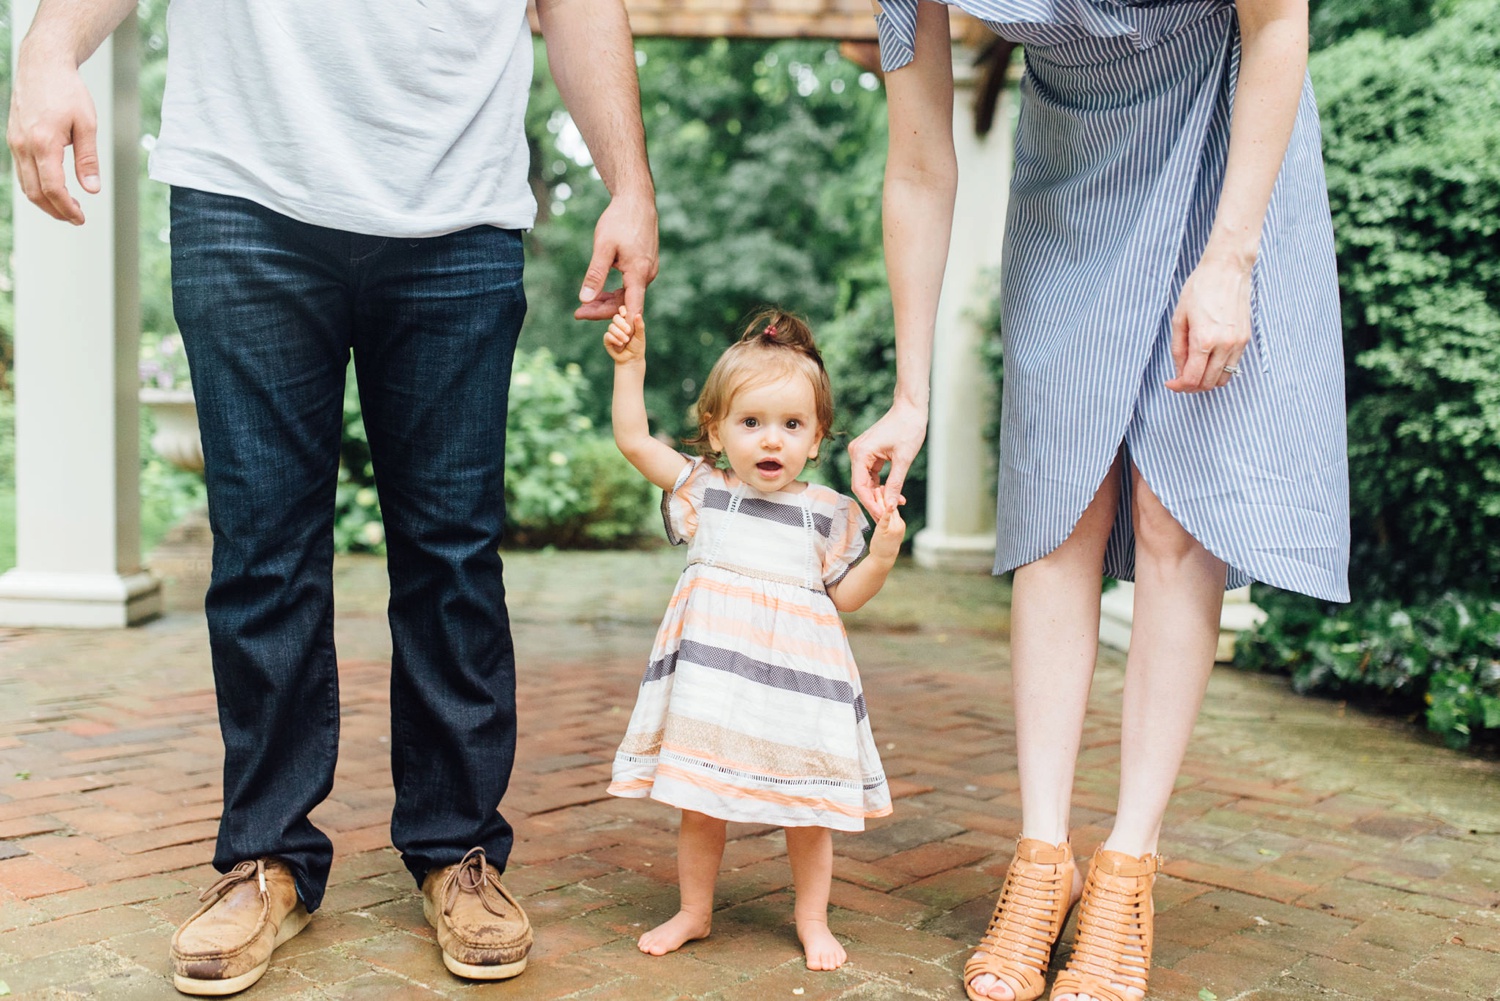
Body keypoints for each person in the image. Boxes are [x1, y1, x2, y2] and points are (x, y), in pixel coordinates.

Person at [8, 0, 657, 993]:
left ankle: (457, 850)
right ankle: (262, 856)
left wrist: (630, 183)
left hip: (459, 209)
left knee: (451, 551)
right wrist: (48, 50)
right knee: (261, 548)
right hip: (243, 189)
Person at [849, 2, 1349, 1000]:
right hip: (1070, 167)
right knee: (1058, 503)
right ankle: (1042, 857)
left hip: (1230, 144)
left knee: (1171, 506)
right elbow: (917, 164)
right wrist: (911, 396)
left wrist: (1230, 261)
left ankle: (1127, 864)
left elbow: (1281, 19)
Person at [601, 306, 903, 971]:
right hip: (714, 688)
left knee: (807, 811)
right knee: (701, 802)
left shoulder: (826, 512)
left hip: (797, 690)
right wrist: (631, 367)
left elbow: (845, 596)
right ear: (715, 431)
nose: (772, 441)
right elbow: (632, 440)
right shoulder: (705, 492)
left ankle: (812, 917)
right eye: (751, 423)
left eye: (792, 425)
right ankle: (694, 909)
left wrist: (880, 555)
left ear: (818, 436)